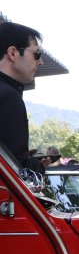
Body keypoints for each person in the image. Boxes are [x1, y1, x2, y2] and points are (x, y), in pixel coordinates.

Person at [0, 21, 43, 166]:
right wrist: (38, 166)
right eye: (37, 54)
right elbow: (15, 169)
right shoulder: (9, 97)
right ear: (13, 53)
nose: (40, 62)